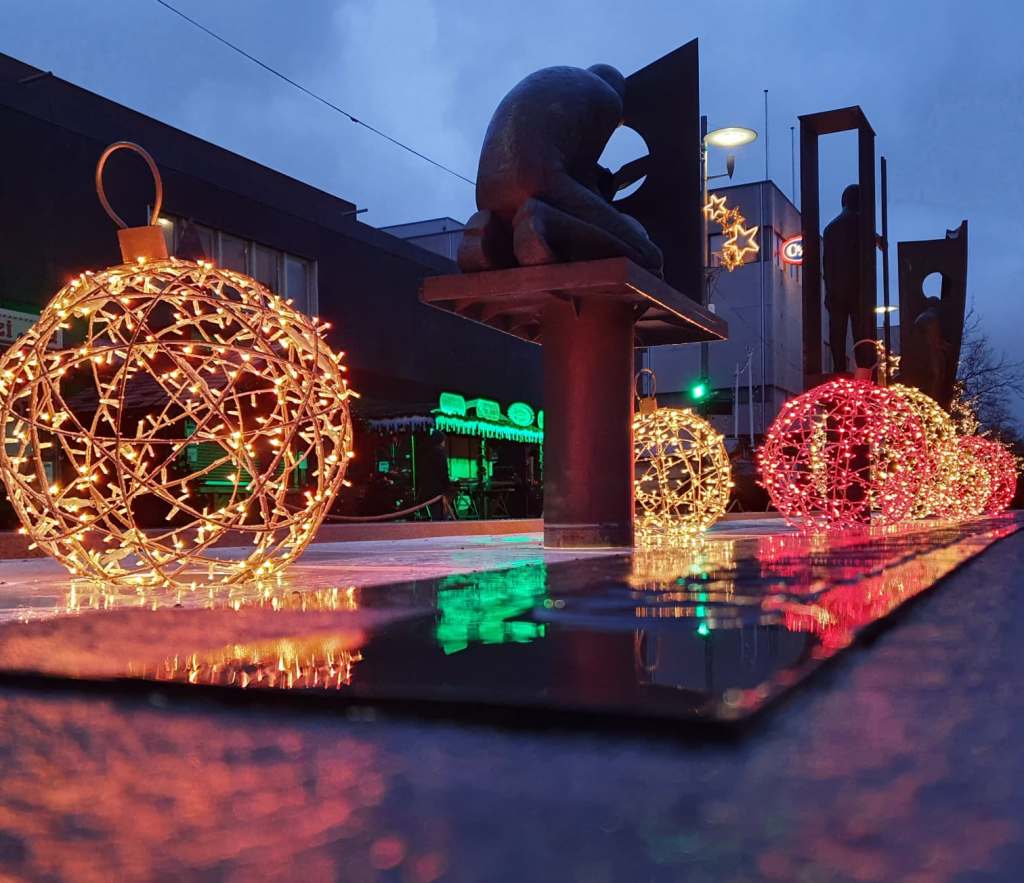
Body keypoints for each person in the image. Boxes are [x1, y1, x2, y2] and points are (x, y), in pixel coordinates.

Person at [458, 64, 662, 275]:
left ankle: (488, 235)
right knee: (649, 257)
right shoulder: (609, 98)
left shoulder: (551, 79)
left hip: (487, 196)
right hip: (537, 182)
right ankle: (543, 224)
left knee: (521, 220)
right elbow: (580, 174)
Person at [823, 185, 871, 373]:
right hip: (857, 289)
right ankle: (863, 369)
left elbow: (827, 264)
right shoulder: (862, 225)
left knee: (838, 332)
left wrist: (829, 289)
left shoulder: (830, 228)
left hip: (836, 290)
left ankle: (839, 368)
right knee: (860, 331)